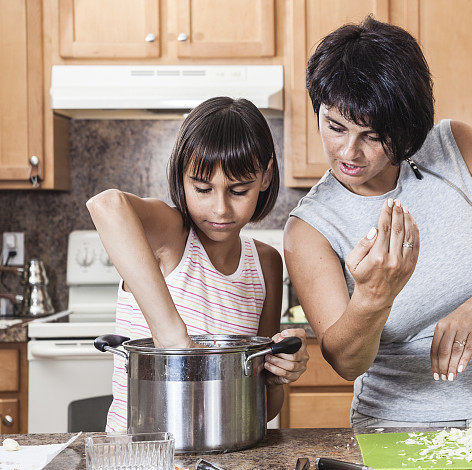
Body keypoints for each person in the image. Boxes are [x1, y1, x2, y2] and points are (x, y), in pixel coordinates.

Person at [284, 17, 472, 429]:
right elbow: (346, 363)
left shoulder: (456, 146)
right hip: (403, 429)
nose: (349, 151)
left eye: (373, 135)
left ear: (405, 127)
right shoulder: (309, 227)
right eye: (335, 127)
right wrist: (373, 296)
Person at [86, 97, 309, 432]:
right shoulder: (170, 234)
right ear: (182, 178)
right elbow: (105, 205)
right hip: (139, 456)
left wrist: (280, 374)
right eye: (202, 189)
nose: (220, 209)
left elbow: (263, 410)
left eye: (238, 190)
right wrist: (174, 340)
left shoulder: (265, 264)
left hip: (222, 457)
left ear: (265, 177)